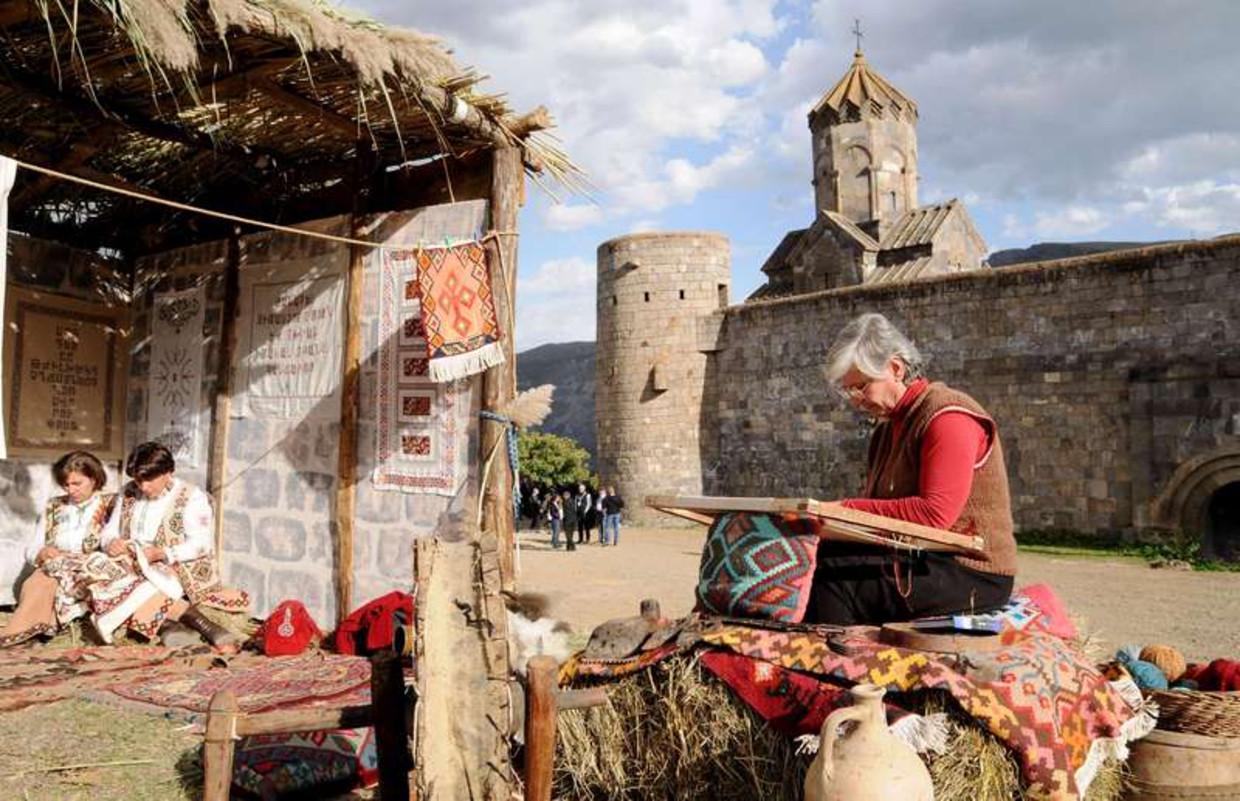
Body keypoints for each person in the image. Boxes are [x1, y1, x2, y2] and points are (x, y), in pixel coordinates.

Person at [804, 313, 1017, 625]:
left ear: (894, 368)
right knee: (811, 556)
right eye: (848, 391)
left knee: (834, 579)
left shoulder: (948, 416)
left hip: (970, 571)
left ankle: (830, 665)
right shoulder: (884, 434)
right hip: (920, 557)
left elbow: (935, 514)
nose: (856, 400)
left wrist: (842, 510)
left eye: (861, 387)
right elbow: (881, 518)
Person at [94, 441, 247, 646]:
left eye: (149, 479)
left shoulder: (191, 497)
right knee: (96, 578)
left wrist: (161, 553)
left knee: (141, 585)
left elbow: (201, 544)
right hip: (132, 558)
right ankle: (177, 626)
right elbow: (110, 530)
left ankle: (197, 624)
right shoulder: (129, 491)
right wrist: (111, 541)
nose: (143, 486)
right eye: (138, 480)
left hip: (174, 563)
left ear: (168, 472)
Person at [0, 451, 117, 647]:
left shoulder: (111, 505)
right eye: (66, 484)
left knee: (46, 582)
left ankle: (18, 635)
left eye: (76, 484)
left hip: (93, 568)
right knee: (37, 581)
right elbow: (32, 548)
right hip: (56, 566)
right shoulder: (54, 506)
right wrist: (42, 552)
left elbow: (115, 541)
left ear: (94, 480)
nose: (70, 490)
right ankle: (25, 634)